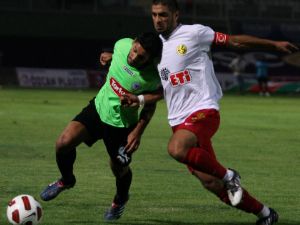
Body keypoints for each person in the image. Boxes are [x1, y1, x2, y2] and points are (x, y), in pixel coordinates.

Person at [104, 1, 298, 224]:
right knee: (211, 183)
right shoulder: (156, 49)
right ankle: (265, 214)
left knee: (176, 149)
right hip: (178, 121)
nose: (158, 20)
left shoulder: (194, 33)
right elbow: (161, 89)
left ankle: (230, 175)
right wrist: (113, 59)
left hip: (203, 111)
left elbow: (234, 41)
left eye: (164, 15)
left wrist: (272, 45)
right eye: (155, 15)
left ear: (176, 15)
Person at [40, 32, 163, 221]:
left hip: (122, 126)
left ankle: (120, 199)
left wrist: (137, 132)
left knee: (119, 168)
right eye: (134, 51)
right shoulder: (122, 45)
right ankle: (66, 180)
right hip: (97, 110)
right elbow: (120, 58)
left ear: (150, 59)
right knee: (63, 143)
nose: (134, 57)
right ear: (134, 42)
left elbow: (151, 105)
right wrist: (111, 57)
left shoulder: (151, 78)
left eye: (141, 57)